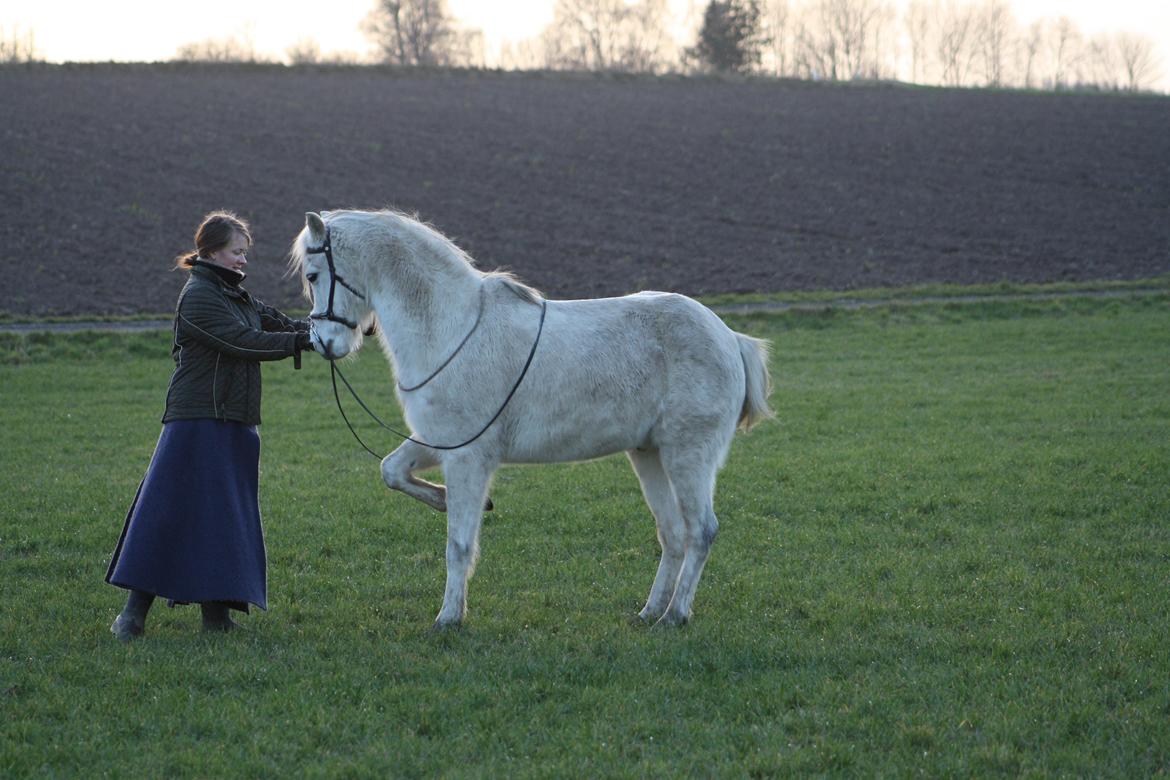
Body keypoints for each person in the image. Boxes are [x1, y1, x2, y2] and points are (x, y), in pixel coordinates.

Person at [106, 210, 316, 640]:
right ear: (212, 251)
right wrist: (304, 341)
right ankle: (131, 617)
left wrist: (339, 328)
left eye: (244, 253)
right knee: (168, 514)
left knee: (223, 519)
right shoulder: (199, 296)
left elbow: (282, 323)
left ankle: (216, 618)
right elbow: (242, 342)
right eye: (237, 252)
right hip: (196, 421)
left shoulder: (236, 295)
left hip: (235, 420)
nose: (243, 260)